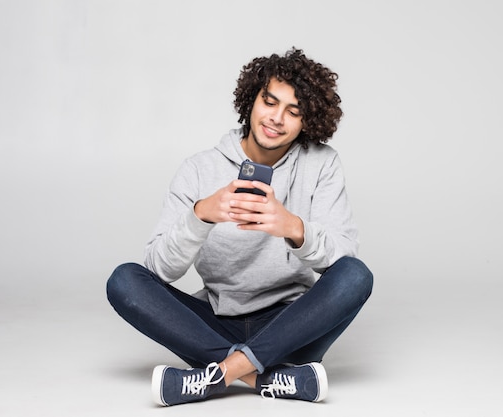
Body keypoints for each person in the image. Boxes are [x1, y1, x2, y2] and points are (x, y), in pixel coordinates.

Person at [106, 47, 373, 406]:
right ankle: (267, 378)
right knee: (124, 280)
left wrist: (293, 227)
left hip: (292, 325)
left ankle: (217, 374)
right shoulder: (198, 169)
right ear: (252, 100)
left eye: (293, 112)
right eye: (269, 102)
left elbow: (343, 262)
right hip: (213, 321)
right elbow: (158, 269)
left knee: (357, 275)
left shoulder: (322, 164)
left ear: (307, 122)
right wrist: (201, 215)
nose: (276, 118)